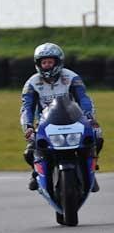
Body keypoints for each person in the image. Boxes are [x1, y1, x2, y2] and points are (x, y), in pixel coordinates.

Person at [21, 43, 103, 192]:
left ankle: (90, 171)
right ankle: (36, 173)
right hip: (45, 123)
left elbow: (84, 99)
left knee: (97, 136)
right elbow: (27, 107)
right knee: (29, 152)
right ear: (38, 64)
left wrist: (90, 118)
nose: (47, 65)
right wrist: (28, 126)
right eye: (43, 62)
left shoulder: (72, 78)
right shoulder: (32, 83)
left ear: (58, 62)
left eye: (50, 62)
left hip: (74, 120)